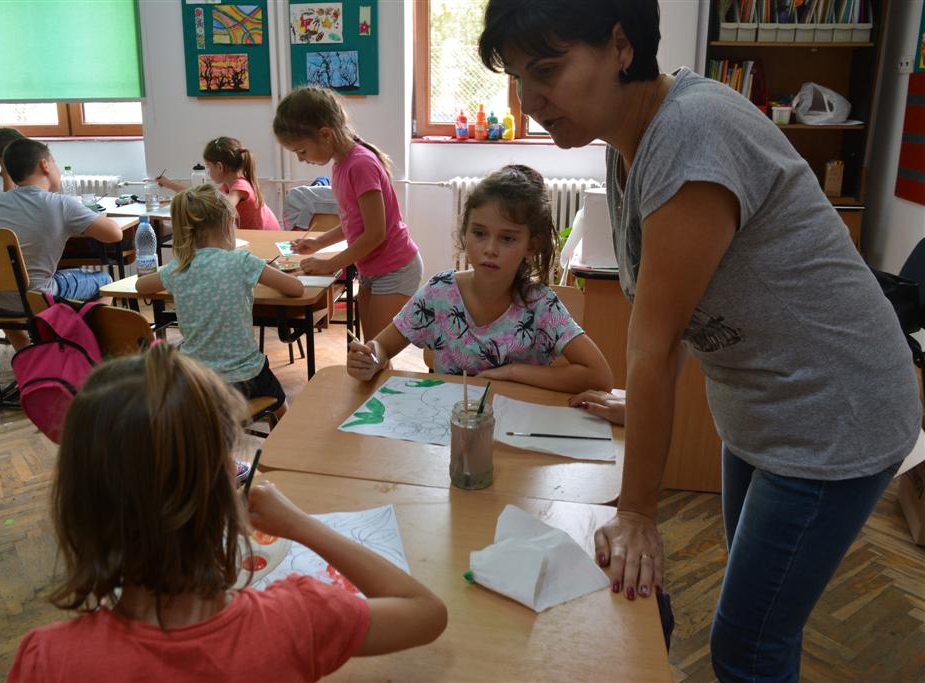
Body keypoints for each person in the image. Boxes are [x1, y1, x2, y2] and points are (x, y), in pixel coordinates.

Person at [479, 1, 921, 680]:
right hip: (763, 406)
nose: (529, 101)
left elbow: (653, 344)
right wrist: (639, 401)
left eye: (547, 69)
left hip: (835, 412)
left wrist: (636, 512)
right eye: (517, 77)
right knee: (765, 618)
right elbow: (673, 313)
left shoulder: (690, 132)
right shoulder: (629, 144)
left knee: (748, 646)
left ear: (621, 46)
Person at [5, 345, 447, 682]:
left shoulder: (49, 662)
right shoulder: (294, 620)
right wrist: (301, 525)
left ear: (78, 509)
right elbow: (426, 612)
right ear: (226, 498)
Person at [347, 165, 613, 395]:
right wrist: (370, 359)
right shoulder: (439, 293)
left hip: (515, 427)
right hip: (449, 426)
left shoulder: (540, 304)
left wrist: (511, 372)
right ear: (465, 233)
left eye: (507, 238)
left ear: (531, 246)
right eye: (479, 233)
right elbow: (382, 346)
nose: (490, 249)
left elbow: (599, 377)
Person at [136, 184, 302, 418]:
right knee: (280, 406)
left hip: (197, 381)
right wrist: (265, 270)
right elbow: (296, 288)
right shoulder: (243, 262)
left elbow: (141, 286)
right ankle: (281, 439)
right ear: (227, 224)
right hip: (246, 378)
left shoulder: (178, 268)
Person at [273, 85, 423, 341]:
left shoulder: (360, 164)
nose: (301, 159)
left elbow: (375, 233)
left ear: (325, 134)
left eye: (302, 151)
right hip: (373, 268)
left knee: (375, 350)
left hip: (396, 268)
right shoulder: (341, 164)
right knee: (372, 348)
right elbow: (354, 222)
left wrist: (329, 264)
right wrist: (319, 242)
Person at [0, 138, 122, 349]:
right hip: (36, 298)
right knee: (105, 281)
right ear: (45, 165)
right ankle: (78, 343)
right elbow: (114, 235)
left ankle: (26, 351)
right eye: (54, 163)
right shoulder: (61, 204)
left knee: (10, 287)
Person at [157, 136, 280, 230]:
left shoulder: (240, 187)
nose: (208, 172)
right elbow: (197, 194)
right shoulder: (228, 186)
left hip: (268, 239)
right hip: (258, 236)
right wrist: (168, 184)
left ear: (219, 167)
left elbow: (225, 208)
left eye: (208, 167)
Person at [0, 127, 25, 198]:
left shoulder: (29, 177)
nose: (20, 159)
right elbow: (9, 203)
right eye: (14, 156)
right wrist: (7, 172)